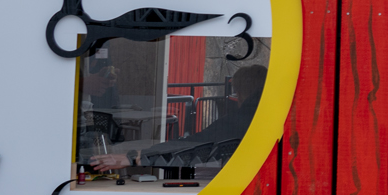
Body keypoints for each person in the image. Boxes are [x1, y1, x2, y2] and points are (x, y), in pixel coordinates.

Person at [90, 64, 267, 174]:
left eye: (236, 91)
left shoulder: (242, 119)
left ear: (243, 92)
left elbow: (194, 145)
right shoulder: (275, 115)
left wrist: (134, 157)